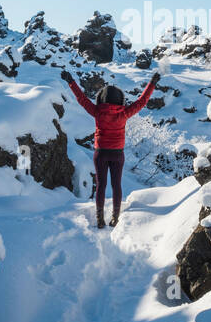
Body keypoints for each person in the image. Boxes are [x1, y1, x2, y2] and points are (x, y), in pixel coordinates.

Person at [60, 69, 159, 228]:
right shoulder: (124, 113)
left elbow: (81, 98)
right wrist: (152, 83)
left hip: (101, 154)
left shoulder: (98, 111)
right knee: (116, 185)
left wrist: (71, 81)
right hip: (117, 154)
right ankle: (115, 217)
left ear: (102, 99)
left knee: (101, 185)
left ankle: (100, 219)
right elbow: (142, 101)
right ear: (120, 99)